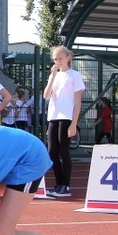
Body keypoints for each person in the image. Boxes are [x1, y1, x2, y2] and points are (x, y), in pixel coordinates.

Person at [43, 46, 84, 198]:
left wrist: (74, 124)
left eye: (60, 58)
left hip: (67, 116)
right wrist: (53, 76)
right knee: (52, 151)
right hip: (53, 116)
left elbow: (78, 101)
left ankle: (65, 185)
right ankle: (58, 183)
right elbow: (46, 96)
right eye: (55, 59)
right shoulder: (54, 75)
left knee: (63, 150)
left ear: (68, 58)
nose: (58, 61)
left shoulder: (74, 75)